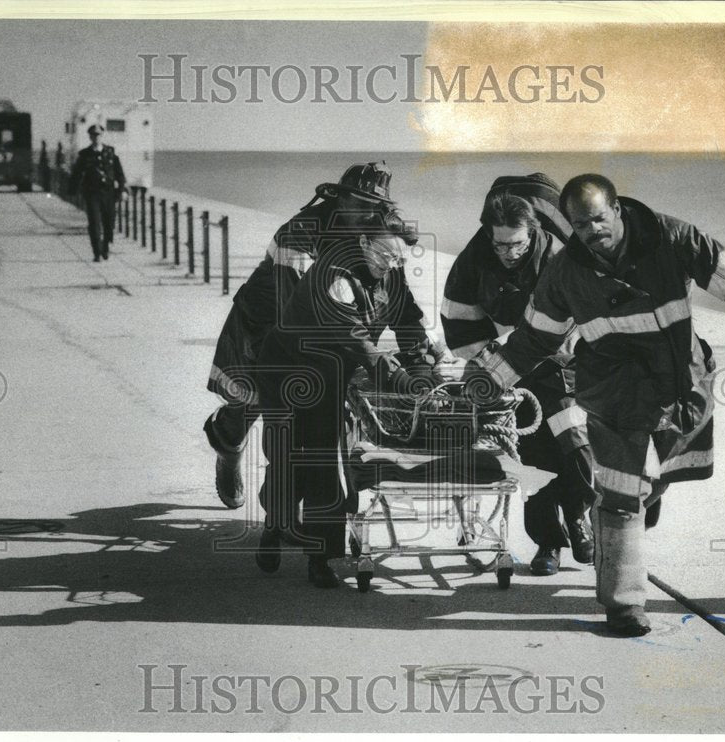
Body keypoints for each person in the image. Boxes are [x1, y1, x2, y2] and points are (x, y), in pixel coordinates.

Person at [461, 173, 725, 636]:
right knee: (622, 492)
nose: (591, 231)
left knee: (660, 480)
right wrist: (488, 380)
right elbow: (533, 339)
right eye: (579, 225)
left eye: (597, 219)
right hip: (614, 391)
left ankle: (614, 520)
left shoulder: (674, 239)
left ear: (617, 210)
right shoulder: (565, 272)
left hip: (682, 386)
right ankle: (623, 605)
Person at [204, 162, 446, 509]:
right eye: (358, 203)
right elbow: (301, 307)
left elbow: (400, 303)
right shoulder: (301, 231)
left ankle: (328, 504)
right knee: (251, 402)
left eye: (373, 207)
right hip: (267, 322)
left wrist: (419, 354)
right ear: (340, 197)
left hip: (337, 328)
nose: (365, 213)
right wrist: (355, 354)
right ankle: (227, 447)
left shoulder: (380, 237)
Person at [254, 208, 438, 587]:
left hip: (330, 372)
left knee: (322, 461)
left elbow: (408, 322)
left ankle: (320, 558)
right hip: (286, 368)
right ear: (363, 243)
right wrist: (402, 380)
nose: (391, 264)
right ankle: (276, 522)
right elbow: (358, 341)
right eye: (385, 255)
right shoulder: (333, 276)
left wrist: (424, 370)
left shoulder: (390, 271)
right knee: (287, 455)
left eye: (398, 258)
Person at [441, 174, 595, 575]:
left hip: (562, 364)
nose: (507, 253)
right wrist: (489, 355)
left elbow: (594, 313)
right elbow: (458, 319)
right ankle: (548, 543)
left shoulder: (562, 258)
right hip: (510, 370)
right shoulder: (474, 258)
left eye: (516, 244)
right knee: (532, 456)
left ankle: (579, 515)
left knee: (574, 444)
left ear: (534, 231)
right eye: (499, 244)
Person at [68, 124, 126, 262]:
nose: (96, 137)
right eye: (93, 135)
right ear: (90, 136)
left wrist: (122, 189)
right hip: (92, 193)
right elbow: (77, 174)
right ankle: (97, 252)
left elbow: (119, 174)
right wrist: (72, 191)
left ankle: (105, 246)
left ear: (102, 136)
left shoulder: (110, 153)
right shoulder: (84, 154)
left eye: (98, 135)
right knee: (94, 223)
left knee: (109, 223)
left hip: (109, 193)